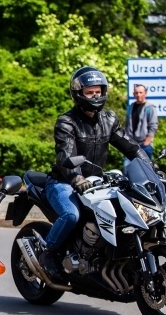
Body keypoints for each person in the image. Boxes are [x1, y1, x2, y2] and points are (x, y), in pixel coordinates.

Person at [40, 67, 151, 282]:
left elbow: (131, 147)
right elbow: (65, 156)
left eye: (98, 91)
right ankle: (48, 253)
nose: (96, 96)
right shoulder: (66, 122)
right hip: (64, 182)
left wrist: (150, 168)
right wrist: (77, 178)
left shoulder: (109, 120)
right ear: (79, 93)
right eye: (90, 92)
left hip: (96, 183)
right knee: (72, 215)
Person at [124, 84, 159, 169]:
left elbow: (153, 125)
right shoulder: (131, 106)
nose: (138, 95)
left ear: (145, 93)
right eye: (136, 93)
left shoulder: (150, 108)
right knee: (127, 169)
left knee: (146, 170)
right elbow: (127, 124)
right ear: (133, 94)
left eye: (140, 92)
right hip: (131, 144)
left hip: (144, 145)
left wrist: (147, 142)